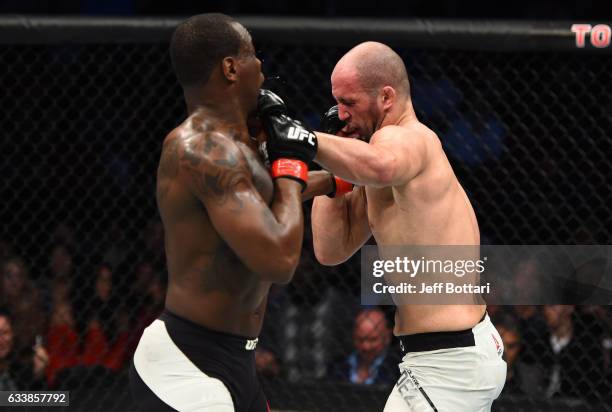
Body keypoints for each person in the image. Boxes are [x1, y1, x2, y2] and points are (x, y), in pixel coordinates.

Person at [284, 41, 506, 410]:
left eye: (349, 103)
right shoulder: (375, 167)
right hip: (445, 357)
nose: (340, 114)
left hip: (449, 360)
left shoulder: (406, 139)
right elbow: (330, 249)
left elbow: (381, 165)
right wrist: (332, 159)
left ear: (386, 96)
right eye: (336, 102)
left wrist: (306, 140)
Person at [129, 13, 317, 412]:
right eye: (252, 55)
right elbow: (280, 260)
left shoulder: (238, 147)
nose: (262, 66)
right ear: (230, 67)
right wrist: (290, 166)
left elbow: (277, 199)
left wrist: (343, 182)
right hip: (188, 364)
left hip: (237, 359)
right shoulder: (200, 150)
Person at [329, 308, 399, 385]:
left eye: (373, 340)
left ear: (387, 337)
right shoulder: (337, 366)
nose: (366, 347)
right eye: (360, 339)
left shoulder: (399, 369)